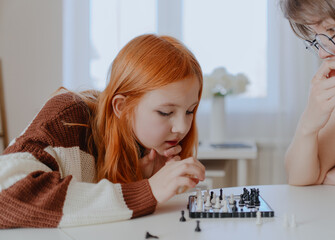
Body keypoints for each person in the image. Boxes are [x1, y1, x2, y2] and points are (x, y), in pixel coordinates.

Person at [0, 34, 205, 228]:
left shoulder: (147, 147)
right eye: (165, 112)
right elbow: (5, 194)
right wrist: (147, 191)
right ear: (121, 107)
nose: (182, 127)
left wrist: (137, 178)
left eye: (190, 111)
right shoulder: (68, 115)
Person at [280, 0, 335, 189]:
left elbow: (318, 175)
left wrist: (332, 176)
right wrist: (309, 122)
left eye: (331, 30)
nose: (323, 53)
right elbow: (300, 176)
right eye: (318, 37)